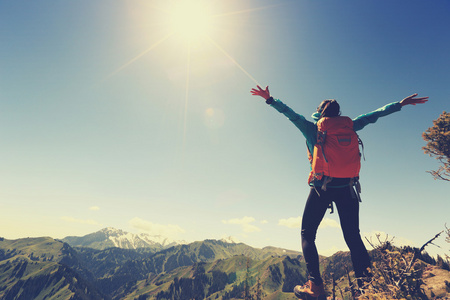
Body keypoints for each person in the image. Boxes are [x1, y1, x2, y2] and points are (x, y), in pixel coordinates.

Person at [250, 85, 428, 298]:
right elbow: (376, 115)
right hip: (348, 188)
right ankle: (367, 286)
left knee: (307, 234)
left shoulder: (313, 128)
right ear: (339, 114)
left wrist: (270, 99)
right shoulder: (351, 126)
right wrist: (400, 104)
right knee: (353, 236)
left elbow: (291, 115)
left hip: (321, 189)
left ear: (319, 114)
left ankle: (315, 286)